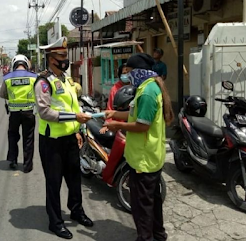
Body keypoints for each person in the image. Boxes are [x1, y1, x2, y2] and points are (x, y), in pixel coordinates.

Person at [104, 53, 174, 241]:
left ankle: (146, 238)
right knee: (153, 201)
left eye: (130, 72)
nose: (127, 76)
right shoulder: (146, 87)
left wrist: (116, 125)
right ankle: (159, 234)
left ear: (140, 71)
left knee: (142, 206)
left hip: (144, 159)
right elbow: (135, 114)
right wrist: (115, 114)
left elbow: (142, 125)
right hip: (149, 156)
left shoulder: (148, 92)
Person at [34, 36, 93, 240]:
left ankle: (76, 211)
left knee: (74, 179)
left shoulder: (66, 79)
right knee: (54, 182)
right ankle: (55, 222)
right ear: (51, 58)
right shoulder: (43, 82)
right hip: (52, 142)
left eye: (66, 55)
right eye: (62, 55)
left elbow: (73, 106)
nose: (65, 59)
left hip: (69, 138)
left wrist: (79, 130)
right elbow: (44, 112)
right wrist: (75, 117)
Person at [0, 54, 37, 173]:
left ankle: (13, 160)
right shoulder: (34, 77)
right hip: (29, 112)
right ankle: (27, 166)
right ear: (26, 64)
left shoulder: (7, 78)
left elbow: (2, 94)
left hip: (14, 113)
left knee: (12, 136)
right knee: (28, 139)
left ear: (14, 64)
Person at [99, 64, 129, 134]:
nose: (127, 75)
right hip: (117, 124)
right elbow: (110, 108)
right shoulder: (115, 89)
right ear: (120, 75)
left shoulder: (134, 87)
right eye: (124, 73)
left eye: (128, 73)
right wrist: (107, 124)